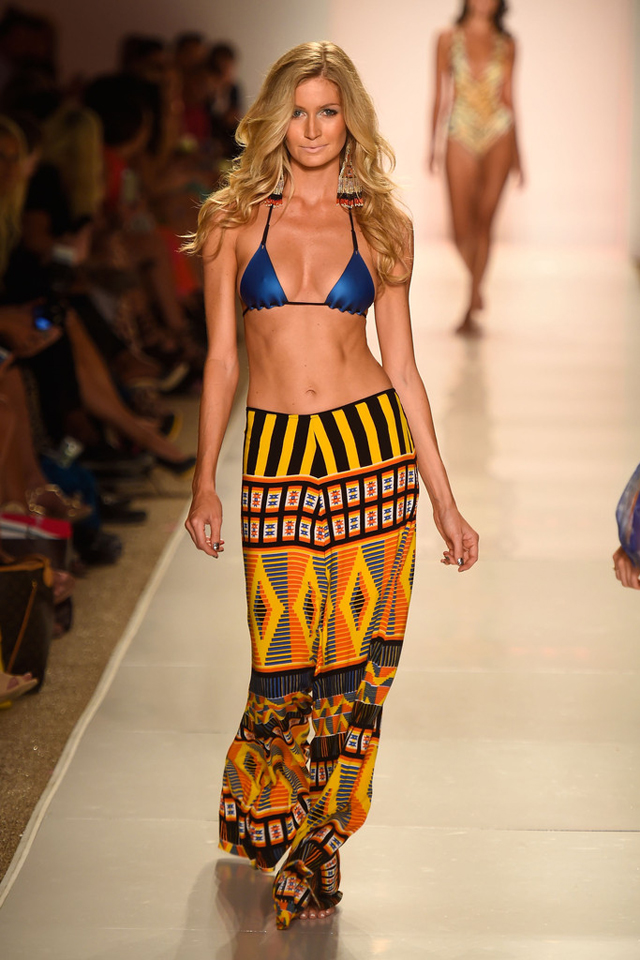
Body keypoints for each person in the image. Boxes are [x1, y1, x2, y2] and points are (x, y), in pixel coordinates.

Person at [185, 41, 478, 929]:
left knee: (355, 670)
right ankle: (266, 801)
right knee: (281, 663)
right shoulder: (233, 220)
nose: (313, 129)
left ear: (350, 119)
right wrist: (203, 482)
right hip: (277, 455)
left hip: (370, 455)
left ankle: (319, 848)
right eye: (299, 112)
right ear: (277, 119)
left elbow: (405, 368)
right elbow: (222, 360)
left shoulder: (382, 224)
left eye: (329, 111)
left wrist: (445, 500)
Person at [429, 0, 523, 336]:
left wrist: (519, 156)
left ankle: (469, 307)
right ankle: (477, 284)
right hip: (460, 130)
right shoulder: (447, 39)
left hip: (499, 131)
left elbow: (509, 98)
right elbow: (439, 95)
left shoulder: (507, 43)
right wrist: (432, 144)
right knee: (459, 228)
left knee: (485, 223)